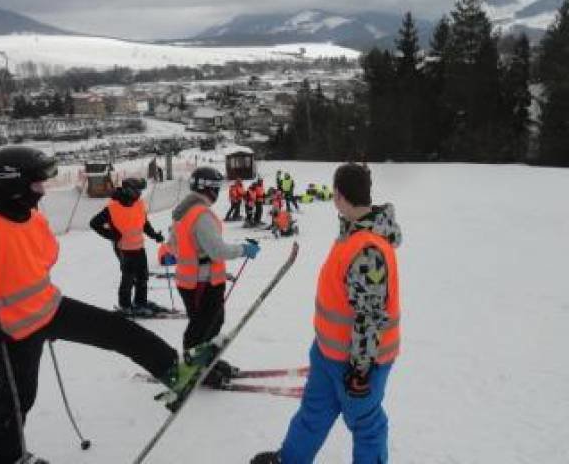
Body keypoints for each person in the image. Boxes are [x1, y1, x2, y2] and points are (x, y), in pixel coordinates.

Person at [0, 147, 193, 464]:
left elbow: (40, 258)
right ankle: (5, 459)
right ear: (14, 185)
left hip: (48, 309)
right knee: (18, 397)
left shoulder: (30, 217)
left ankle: (173, 370)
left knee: (117, 329)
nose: (42, 190)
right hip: (10, 332)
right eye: (36, 183)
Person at [251, 163, 402, 464]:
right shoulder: (352, 233)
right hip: (328, 353)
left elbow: (370, 316)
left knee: (366, 425)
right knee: (314, 412)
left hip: (358, 364)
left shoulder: (367, 249)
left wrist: (360, 371)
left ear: (340, 196)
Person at [170, 166, 261, 386]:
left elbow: (174, 246)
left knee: (208, 323)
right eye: (216, 188)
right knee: (204, 327)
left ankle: (207, 361)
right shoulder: (201, 214)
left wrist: (206, 264)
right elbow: (217, 250)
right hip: (202, 283)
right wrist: (243, 249)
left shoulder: (183, 212)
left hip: (192, 280)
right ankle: (196, 368)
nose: (218, 192)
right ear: (208, 189)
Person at [89, 177, 165, 317]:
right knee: (128, 278)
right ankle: (125, 306)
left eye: (140, 191)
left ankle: (140, 303)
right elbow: (94, 223)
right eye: (137, 191)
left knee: (143, 276)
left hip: (139, 246)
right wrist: (112, 235)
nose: (140, 194)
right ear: (128, 190)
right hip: (124, 248)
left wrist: (154, 235)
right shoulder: (112, 207)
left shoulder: (138, 203)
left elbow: (144, 223)